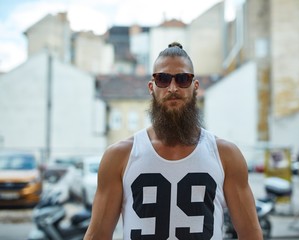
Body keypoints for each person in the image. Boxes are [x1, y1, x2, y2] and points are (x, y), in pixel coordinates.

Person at [84, 42, 262, 240]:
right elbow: (97, 235)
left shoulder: (226, 155)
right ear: (152, 87)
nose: (173, 87)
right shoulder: (119, 156)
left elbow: (251, 234)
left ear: (195, 87)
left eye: (183, 79)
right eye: (163, 79)